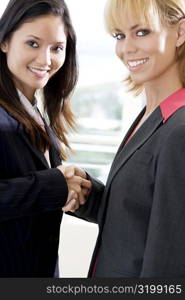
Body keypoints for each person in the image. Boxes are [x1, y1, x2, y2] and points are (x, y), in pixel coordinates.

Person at [63, 0, 185, 277]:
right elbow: (142, 214)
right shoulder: (150, 116)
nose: (126, 48)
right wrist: (86, 193)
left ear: (180, 33)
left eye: (142, 32)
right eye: (119, 35)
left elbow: (169, 263)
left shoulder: (180, 133)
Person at [0, 0, 91, 277]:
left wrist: (69, 184)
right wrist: (55, 185)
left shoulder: (33, 112)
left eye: (57, 48)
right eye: (33, 43)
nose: (46, 60)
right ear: (4, 41)